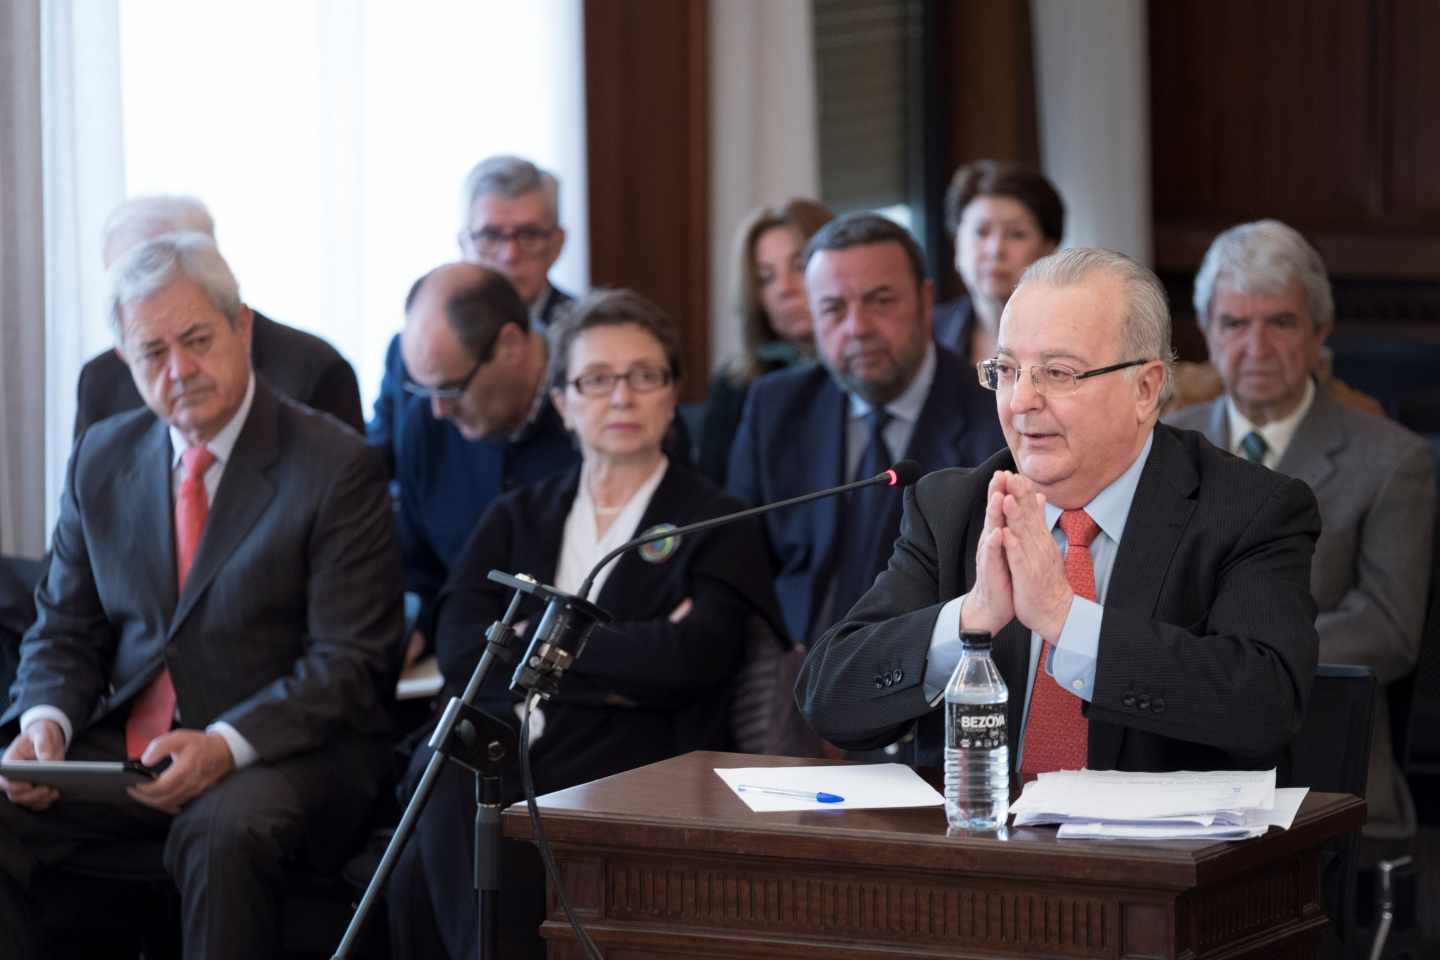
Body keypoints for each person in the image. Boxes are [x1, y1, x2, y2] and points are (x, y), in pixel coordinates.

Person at [0, 234, 403, 959]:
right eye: (154, 352)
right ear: (126, 360)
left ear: (241, 327)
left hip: (286, 753)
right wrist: (47, 722)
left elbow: (351, 663)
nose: (180, 370)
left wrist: (224, 745)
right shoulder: (102, 456)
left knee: (219, 831)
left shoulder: (335, 464)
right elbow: (63, 627)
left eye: (197, 340)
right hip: (130, 747)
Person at [796, 248, 1322, 780]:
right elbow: (828, 697)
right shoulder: (955, 507)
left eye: (1058, 372)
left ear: (1145, 388)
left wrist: (1064, 619)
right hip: (976, 849)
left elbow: (1265, 707)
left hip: (1154, 857)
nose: (1021, 400)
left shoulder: (1248, 509)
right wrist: (969, 618)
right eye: (1006, 370)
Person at [386, 289, 782, 959]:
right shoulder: (519, 514)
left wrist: (537, 650)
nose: (621, 397)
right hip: (509, 733)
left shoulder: (716, 518)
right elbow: (463, 641)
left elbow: (693, 657)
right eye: (597, 380)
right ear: (564, 401)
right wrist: (622, 652)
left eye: (644, 376)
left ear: (671, 395)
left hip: (639, 749)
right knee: (451, 775)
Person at [1166, 220, 1435, 843]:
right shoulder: (1162, 446)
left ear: (1319, 332)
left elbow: (1389, 632)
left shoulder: (1393, 461)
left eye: (1280, 322)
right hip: (1172, 772)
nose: (1256, 344)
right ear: (1207, 332)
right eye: (1235, 323)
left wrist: (1229, 665)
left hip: (1324, 779)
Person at [728, 212, 1005, 650]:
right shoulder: (775, 409)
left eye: (880, 301)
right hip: (796, 671)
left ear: (925, 299)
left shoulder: (994, 419)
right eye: (833, 308)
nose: (857, 327)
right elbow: (739, 562)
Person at [392, 263, 580, 643]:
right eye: (425, 390)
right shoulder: (426, 426)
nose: (438, 411)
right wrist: (414, 629)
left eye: (451, 389)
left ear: (510, 346)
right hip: (456, 669)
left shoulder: (596, 414)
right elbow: (419, 568)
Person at [73, 195, 364, 436]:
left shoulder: (314, 370)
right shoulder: (100, 379)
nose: (179, 369)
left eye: (156, 269)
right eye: (125, 279)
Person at [369, 156, 575, 474]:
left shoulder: (589, 343)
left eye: (529, 235)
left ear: (558, 244)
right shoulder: (415, 347)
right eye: (492, 236)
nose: (510, 254)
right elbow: (377, 466)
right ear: (464, 242)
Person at [697, 198, 835, 483]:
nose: (784, 288)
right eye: (765, 278)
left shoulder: (866, 372)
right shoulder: (736, 386)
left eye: (799, 266)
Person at [936, 160, 1064, 363]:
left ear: (1048, 248)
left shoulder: (1077, 332)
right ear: (957, 242)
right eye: (981, 232)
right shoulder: (929, 334)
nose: (995, 250)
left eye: (1016, 234)